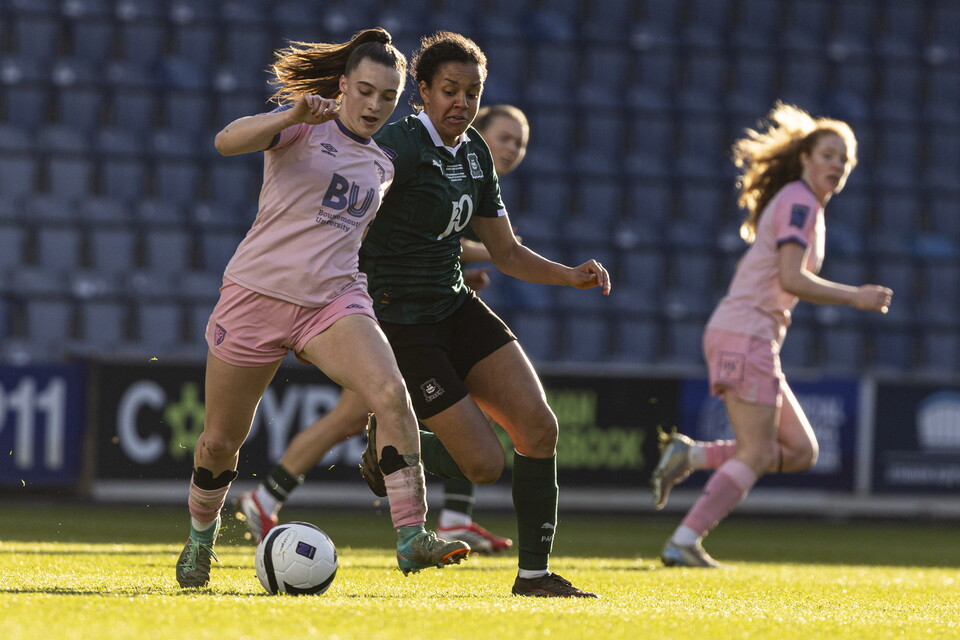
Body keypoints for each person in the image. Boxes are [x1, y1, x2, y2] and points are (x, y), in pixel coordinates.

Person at [175, 28, 470, 589]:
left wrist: (456, 258)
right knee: (219, 440)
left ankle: (412, 537)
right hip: (256, 297)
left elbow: (396, 235)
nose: (374, 106)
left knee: (389, 393)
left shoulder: (383, 164)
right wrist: (287, 116)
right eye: (364, 92)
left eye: (387, 97)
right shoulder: (301, 131)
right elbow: (225, 141)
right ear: (342, 85)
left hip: (332, 300)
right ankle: (199, 541)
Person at [359, 31, 609, 598]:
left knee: (540, 428)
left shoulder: (473, 153)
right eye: (450, 90)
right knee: (484, 467)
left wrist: (569, 274)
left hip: (455, 304)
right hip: (403, 324)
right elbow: (347, 222)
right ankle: (390, 450)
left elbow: (507, 252)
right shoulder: (395, 146)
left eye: (472, 93)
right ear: (421, 91)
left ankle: (534, 576)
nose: (462, 104)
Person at [234, 104, 530, 555]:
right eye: (504, 137)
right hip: (382, 305)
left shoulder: (468, 173)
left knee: (357, 415)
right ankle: (267, 495)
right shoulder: (430, 161)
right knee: (364, 415)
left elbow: (431, 244)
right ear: (479, 131)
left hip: (403, 304)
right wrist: (488, 254)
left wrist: (457, 268)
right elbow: (389, 230)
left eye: (520, 142)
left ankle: (452, 517)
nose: (512, 148)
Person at [650, 102, 893, 568]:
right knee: (759, 451)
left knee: (801, 451)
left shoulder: (800, 204)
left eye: (845, 159)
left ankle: (694, 456)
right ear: (805, 159)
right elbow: (793, 279)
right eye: (828, 154)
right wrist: (854, 296)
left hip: (746, 333)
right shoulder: (800, 202)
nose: (837, 165)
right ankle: (683, 540)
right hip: (746, 334)